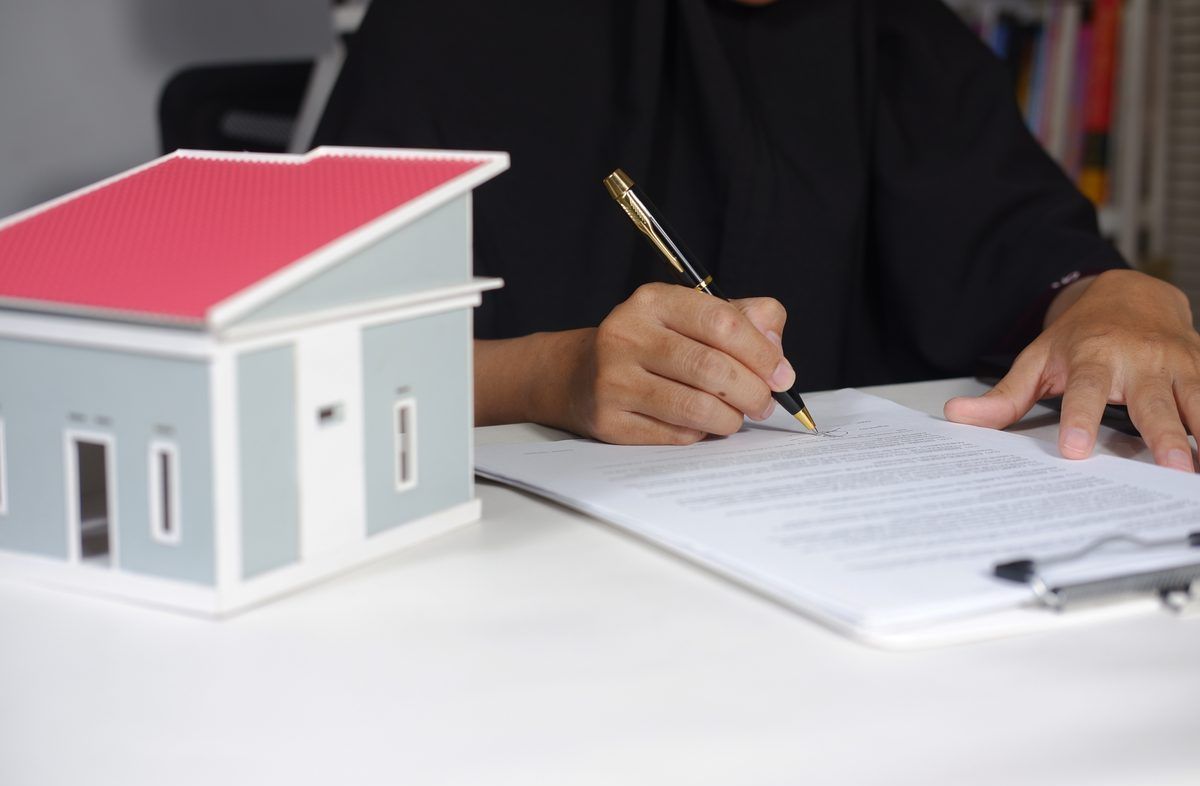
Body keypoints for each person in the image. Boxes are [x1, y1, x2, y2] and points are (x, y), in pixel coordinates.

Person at [315, 0, 1200, 472]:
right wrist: (554, 375)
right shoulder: (457, 26)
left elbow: (1028, 249)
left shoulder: (897, 33)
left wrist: (1120, 298)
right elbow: (320, 360)